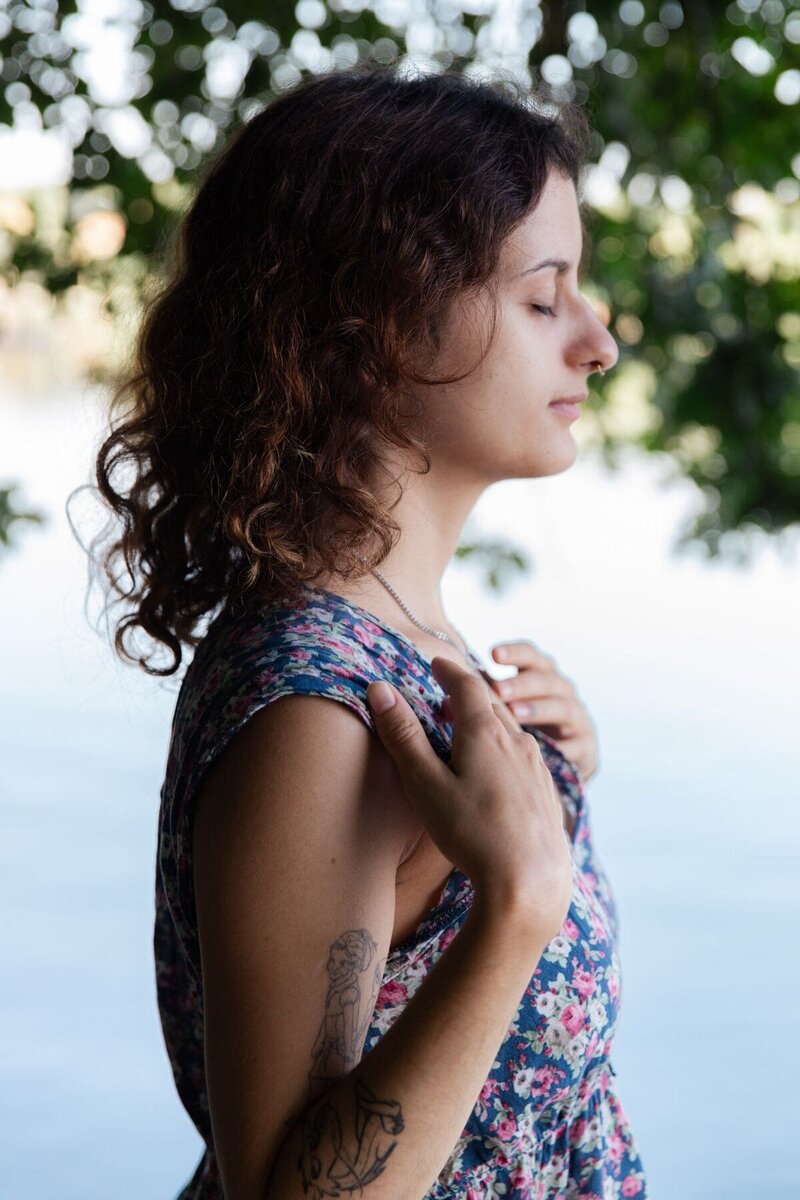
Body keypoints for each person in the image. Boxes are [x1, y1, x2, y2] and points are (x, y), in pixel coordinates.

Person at [89, 62, 647, 1199]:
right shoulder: (317, 715)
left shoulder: (392, 649)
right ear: (378, 325)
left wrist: (548, 783)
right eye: (544, 298)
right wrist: (518, 904)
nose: (596, 341)